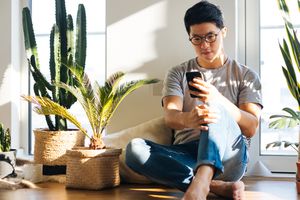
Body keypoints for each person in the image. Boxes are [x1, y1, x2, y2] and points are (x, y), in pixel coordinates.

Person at [125, 1, 262, 199]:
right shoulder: (178, 73)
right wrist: (189, 119)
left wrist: (218, 99)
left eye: (210, 36)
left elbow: (250, 127)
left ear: (223, 32)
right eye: (196, 39)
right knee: (134, 150)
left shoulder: (246, 76)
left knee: (214, 107)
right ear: (190, 38)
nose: (204, 45)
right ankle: (214, 186)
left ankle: (202, 183)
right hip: (187, 154)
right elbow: (171, 117)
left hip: (229, 157)